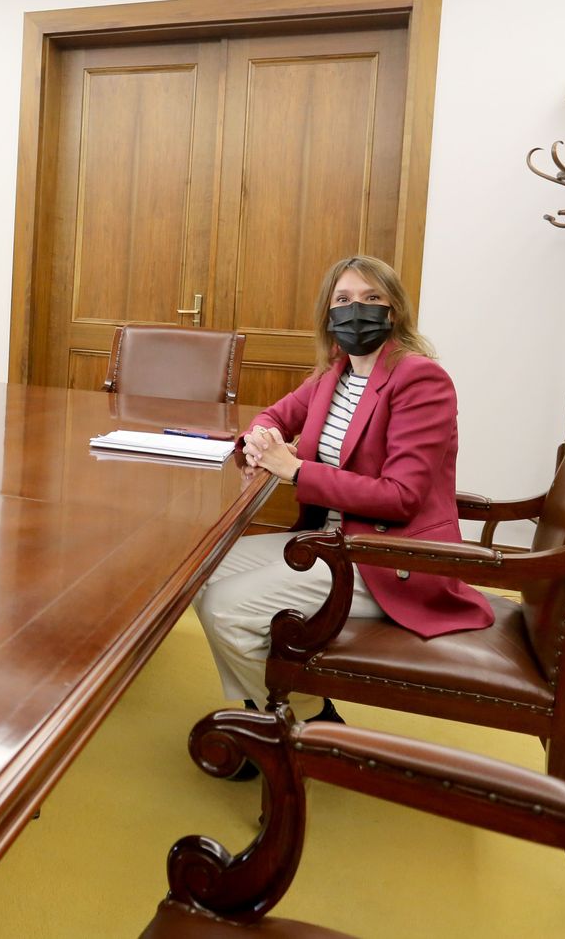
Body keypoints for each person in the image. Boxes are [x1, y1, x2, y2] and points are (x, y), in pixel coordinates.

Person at [193, 255, 493, 759]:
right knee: (201, 572)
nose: (358, 311)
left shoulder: (420, 380)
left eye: (372, 299)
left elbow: (401, 497)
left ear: (394, 311)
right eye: (344, 300)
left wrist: (296, 471)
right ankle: (287, 713)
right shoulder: (333, 375)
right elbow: (274, 415)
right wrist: (259, 440)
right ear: (329, 315)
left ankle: (305, 726)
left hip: (384, 555)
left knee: (227, 609)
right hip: (328, 543)